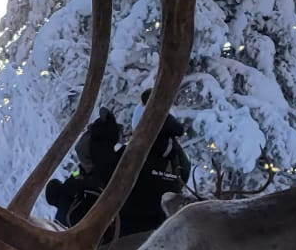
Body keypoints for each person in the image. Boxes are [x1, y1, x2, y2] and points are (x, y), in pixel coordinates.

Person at [44, 100, 190, 237]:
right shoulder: (178, 158)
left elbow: (108, 180)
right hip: (161, 236)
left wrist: (101, 145)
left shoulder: (135, 155)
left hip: (122, 243)